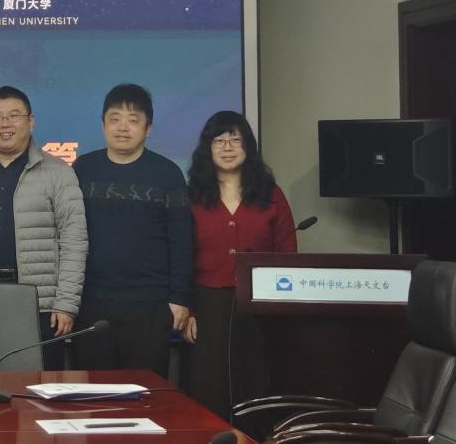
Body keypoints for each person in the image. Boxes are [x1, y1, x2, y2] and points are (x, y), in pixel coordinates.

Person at [0, 85, 88, 369]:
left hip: (40, 303)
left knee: (38, 387)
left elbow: (74, 241)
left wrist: (65, 303)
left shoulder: (58, 173)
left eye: (14, 116)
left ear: (30, 121)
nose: (5, 124)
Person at [181, 110, 297, 418]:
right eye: (219, 141)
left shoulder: (271, 195)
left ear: (248, 146)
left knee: (255, 380)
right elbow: (182, 256)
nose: (227, 147)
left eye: (235, 140)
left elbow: (287, 252)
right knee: (209, 384)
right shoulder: (192, 196)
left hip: (260, 303)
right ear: (207, 148)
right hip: (207, 302)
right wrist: (188, 310)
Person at [71, 83, 192, 377]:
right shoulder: (82, 169)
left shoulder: (167, 174)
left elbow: (181, 241)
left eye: (133, 120)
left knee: (146, 392)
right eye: (115, 119)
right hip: (91, 302)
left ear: (148, 128)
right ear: (103, 124)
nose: (123, 128)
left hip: (150, 303)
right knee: (93, 393)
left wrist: (180, 298)